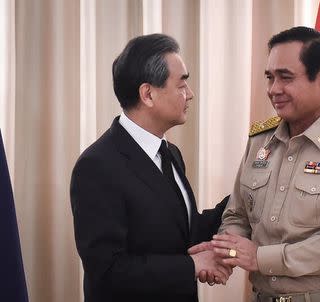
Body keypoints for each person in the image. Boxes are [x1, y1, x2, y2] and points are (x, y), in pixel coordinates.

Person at [190, 26, 320, 302]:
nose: (273, 89)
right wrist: (225, 253)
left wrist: (259, 257)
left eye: (286, 78)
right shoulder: (260, 140)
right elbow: (237, 215)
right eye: (269, 77)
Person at [70, 33, 230, 302]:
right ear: (148, 94)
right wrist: (192, 266)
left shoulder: (170, 153)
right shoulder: (97, 166)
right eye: (181, 85)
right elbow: (108, 270)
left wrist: (247, 194)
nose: (190, 95)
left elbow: (182, 234)